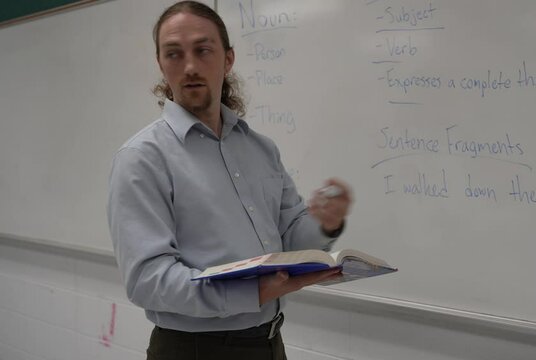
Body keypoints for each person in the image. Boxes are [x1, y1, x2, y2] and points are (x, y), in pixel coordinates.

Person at [107, 1, 352, 359]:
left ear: (228, 59)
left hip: (268, 342)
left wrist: (325, 225)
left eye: (203, 50)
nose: (189, 66)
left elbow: (289, 240)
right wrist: (252, 292)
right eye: (174, 54)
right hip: (193, 350)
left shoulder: (260, 149)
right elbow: (148, 281)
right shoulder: (142, 158)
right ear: (161, 64)